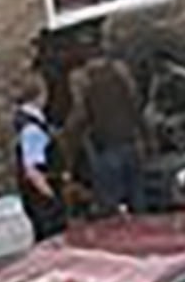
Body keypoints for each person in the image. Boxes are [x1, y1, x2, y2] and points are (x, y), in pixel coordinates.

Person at [64, 40, 145, 216]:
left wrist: (68, 135)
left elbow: (80, 114)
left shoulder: (81, 77)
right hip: (130, 141)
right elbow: (135, 99)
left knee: (110, 206)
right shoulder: (119, 69)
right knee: (138, 200)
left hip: (105, 146)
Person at [14, 75, 67, 241]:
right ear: (41, 94)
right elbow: (32, 170)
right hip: (42, 199)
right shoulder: (32, 129)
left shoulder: (28, 121)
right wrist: (52, 198)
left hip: (38, 195)